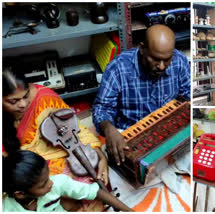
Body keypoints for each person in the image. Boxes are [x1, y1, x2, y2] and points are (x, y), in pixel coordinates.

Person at [2, 69, 109, 211]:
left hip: (59, 154)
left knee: (92, 178)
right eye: (14, 101)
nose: (23, 104)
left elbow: (75, 128)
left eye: (26, 96)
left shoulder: (44, 98)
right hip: (24, 169)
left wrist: (101, 157)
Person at [93, 24, 190, 165]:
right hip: (131, 135)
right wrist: (109, 129)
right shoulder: (118, 68)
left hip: (167, 131)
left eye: (167, 59)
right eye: (155, 59)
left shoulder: (179, 61)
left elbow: (188, 95)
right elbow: (102, 108)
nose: (162, 66)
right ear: (142, 49)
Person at [2, 150, 133, 212]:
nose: (50, 183)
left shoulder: (58, 182)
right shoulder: (7, 210)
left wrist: (130, 211)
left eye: (48, 178)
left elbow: (96, 192)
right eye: (43, 184)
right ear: (20, 193)